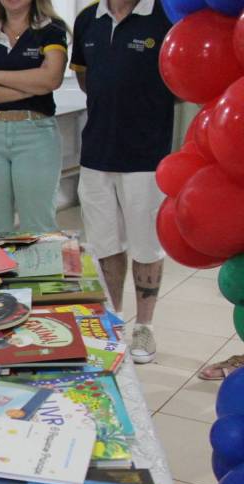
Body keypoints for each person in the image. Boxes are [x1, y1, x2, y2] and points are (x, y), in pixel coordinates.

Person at [71, 0, 174, 364]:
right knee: (105, 246)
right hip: (96, 154)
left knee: (147, 246)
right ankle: (112, 322)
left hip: (146, 156)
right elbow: (87, 79)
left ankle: (144, 326)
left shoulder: (164, 16)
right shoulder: (88, 19)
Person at [0, 0, 69, 234]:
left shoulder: (51, 30)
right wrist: (29, 88)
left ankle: (39, 261)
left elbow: (51, 78)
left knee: (38, 227)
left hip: (35, 134)